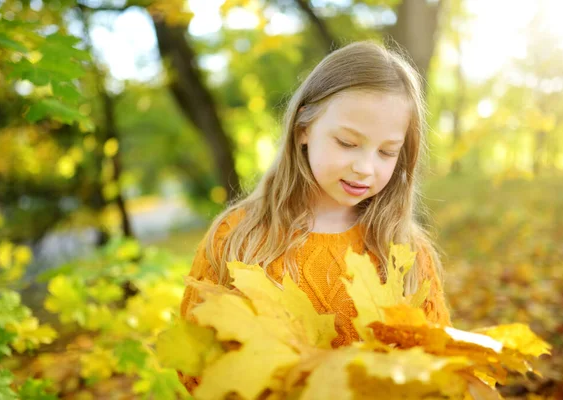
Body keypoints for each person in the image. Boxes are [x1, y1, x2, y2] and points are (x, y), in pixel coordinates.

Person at [178, 41, 452, 392]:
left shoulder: (406, 252)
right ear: (303, 128)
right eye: (347, 143)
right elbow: (194, 367)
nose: (364, 167)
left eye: (386, 152)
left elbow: (439, 371)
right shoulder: (237, 238)